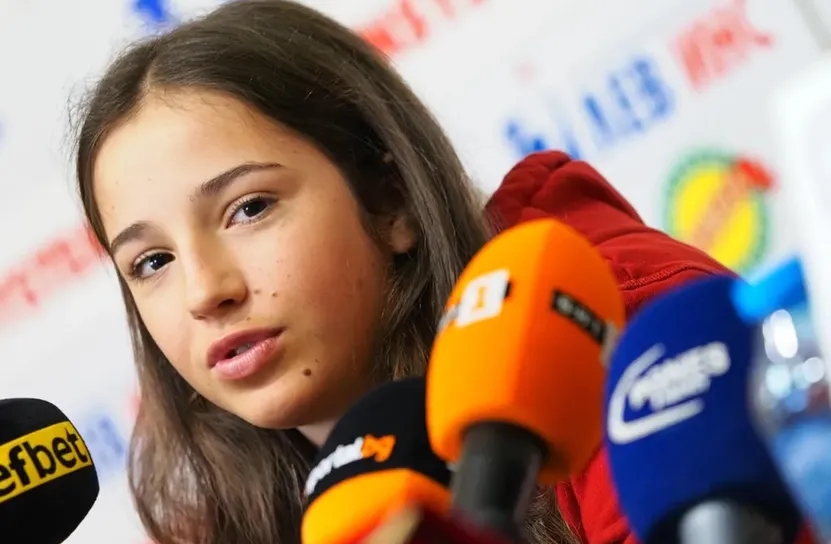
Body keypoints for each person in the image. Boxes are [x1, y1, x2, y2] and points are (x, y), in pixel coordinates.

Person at [70, 1, 748, 543]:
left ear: (390, 200)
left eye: (249, 209)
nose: (204, 291)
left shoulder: (613, 333)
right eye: (152, 262)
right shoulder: (225, 516)